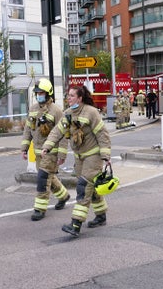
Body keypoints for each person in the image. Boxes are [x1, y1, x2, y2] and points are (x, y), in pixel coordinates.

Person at [42, 85, 112, 237]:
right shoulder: (67, 113)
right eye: (68, 95)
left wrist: (106, 155)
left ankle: (76, 223)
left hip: (93, 157)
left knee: (83, 187)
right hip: (80, 157)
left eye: (72, 95)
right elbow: (57, 131)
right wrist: (47, 146)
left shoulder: (91, 112)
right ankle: (101, 216)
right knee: (91, 188)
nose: (69, 98)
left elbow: (102, 133)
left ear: (80, 98)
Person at [21, 78, 70, 221]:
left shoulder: (56, 111)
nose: (38, 95)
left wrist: (62, 153)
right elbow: (27, 130)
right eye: (37, 93)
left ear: (48, 94)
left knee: (43, 178)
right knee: (49, 177)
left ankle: (39, 209)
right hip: (37, 153)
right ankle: (64, 196)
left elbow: (64, 134)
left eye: (41, 93)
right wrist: (24, 148)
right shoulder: (33, 109)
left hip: (51, 153)